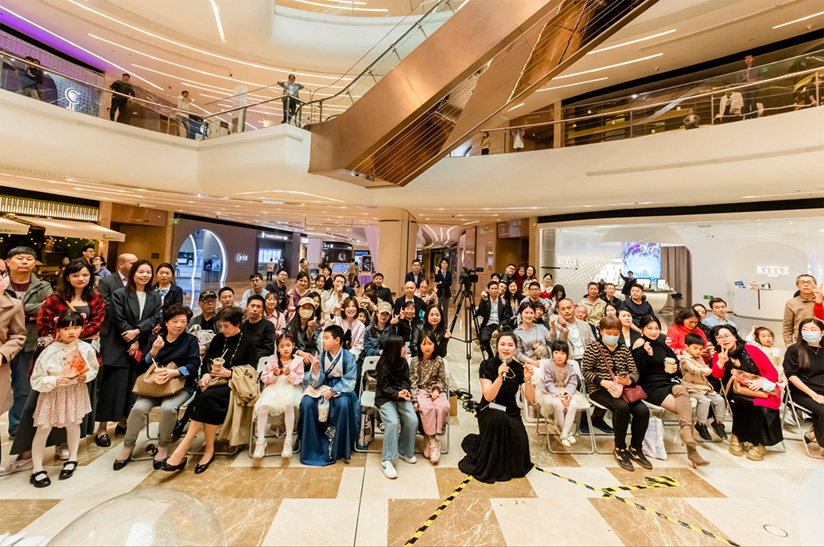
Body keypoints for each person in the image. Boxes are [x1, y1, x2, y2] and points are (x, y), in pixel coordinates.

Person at [164, 306, 257, 474]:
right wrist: (206, 374)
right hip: (213, 384)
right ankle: (207, 449)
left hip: (234, 387)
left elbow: (252, 371)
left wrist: (230, 373)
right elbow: (207, 360)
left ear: (237, 324)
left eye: (226, 326)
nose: (222, 330)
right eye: (220, 326)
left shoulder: (248, 342)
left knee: (206, 398)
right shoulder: (218, 339)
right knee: (205, 397)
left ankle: (185, 447)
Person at [114, 305, 199, 470]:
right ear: (166, 323)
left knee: (168, 408)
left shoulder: (190, 340)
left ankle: (163, 446)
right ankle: (128, 446)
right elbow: (140, 367)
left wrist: (174, 373)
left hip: (180, 386)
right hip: (153, 386)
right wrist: (153, 352)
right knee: (138, 408)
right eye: (175, 321)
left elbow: (194, 364)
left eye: (183, 321)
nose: (179, 325)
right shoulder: (156, 340)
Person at [33, 259, 104, 445]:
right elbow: (44, 323)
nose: (81, 278)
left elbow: (97, 322)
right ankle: (53, 441)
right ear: (67, 277)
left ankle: (69, 443)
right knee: (53, 400)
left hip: (83, 354)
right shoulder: (55, 298)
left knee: (76, 399)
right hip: (57, 355)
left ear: (91, 277)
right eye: (75, 275)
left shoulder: (96, 298)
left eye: (85, 275)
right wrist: (63, 339)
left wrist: (75, 336)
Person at [28, 311, 98, 487]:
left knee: (73, 424)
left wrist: (86, 377)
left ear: (82, 328)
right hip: (52, 394)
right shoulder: (49, 351)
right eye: (66, 328)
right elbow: (36, 379)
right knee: (43, 428)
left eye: (76, 327)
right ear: (58, 330)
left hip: (75, 391)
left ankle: (72, 459)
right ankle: (37, 469)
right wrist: (54, 381)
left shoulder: (86, 348)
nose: (71, 332)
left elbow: (93, 368)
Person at [96, 260, 162, 446]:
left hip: (142, 346)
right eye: (141, 272)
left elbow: (156, 317)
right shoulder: (120, 294)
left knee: (132, 388)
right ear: (133, 274)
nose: (144, 275)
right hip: (119, 345)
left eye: (148, 272)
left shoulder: (155, 296)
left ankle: (123, 423)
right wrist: (132, 339)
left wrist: (137, 333)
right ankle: (102, 429)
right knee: (111, 388)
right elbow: (117, 318)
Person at [632, 315, 709, 467]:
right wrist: (649, 354)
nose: (653, 331)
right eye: (649, 328)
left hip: (666, 382)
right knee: (685, 409)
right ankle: (691, 448)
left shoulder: (662, 345)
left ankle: (687, 436)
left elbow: (675, 365)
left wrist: (674, 369)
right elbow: (638, 370)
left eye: (656, 328)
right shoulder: (639, 344)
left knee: (681, 389)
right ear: (642, 329)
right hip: (649, 386)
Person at [458, 331, 534, 483]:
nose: (506, 348)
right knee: (498, 420)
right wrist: (499, 378)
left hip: (510, 411)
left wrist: (528, 380)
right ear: (497, 346)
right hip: (489, 409)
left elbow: (530, 398)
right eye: (502, 344)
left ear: (515, 348)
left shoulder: (518, 368)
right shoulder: (487, 365)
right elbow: (488, 396)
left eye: (510, 345)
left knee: (519, 440)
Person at [581, 316, 651, 471]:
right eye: (609, 332)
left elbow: (634, 371)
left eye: (616, 333)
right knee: (621, 408)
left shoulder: (624, 349)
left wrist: (628, 380)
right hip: (599, 389)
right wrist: (603, 382)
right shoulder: (593, 348)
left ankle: (636, 448)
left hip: (623, 389)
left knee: (642, 410)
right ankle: (620, 448)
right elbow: (586, 371)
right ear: (601, 331)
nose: (612, 336)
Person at [710, 325, 782, 461]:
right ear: (716, 341)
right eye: (719, 337)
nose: (724, 339)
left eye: (727, 336)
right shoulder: (718, 355)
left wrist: (761, 382)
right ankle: (737, 436)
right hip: (736, 391)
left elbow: (772, 372)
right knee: (740, 403)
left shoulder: (751, 349)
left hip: (760, 390)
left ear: (735, 337)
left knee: (762, 409)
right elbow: (716, 375)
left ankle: (759, 443)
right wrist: (721, 362)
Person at [4, 247, 53, 439]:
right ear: (8, 262)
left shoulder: (42, 285)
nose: (25, 262)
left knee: (23, 389)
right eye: (19, 258)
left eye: (29, 258)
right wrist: (29, 314)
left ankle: (17, 426)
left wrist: (15, 310)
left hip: (29, 342)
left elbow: (49, 308)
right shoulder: (2, 282)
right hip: (3, 343)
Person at [299, 325, 360, 466]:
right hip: (323, 386)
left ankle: (338, 448)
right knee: (307, 403)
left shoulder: (348, 357)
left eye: (327, 338)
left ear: (337, 340)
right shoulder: (321, 356)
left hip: (341, 389)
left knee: (342, 405)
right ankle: (311, 448)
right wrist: (315, 368)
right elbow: (316, 382)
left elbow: (350, 380)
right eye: (323, 338)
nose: (323, 341)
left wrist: (333, 391)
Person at [253, 335, 304, 459]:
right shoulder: (272, 359)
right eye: (282, 346)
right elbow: (264, 379)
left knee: (288, 404)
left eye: (288, 345)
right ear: (278, 348)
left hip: (290, 387)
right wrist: (273, 374)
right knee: (263, 405)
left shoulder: (298, 360)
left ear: (293, 346)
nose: (286, 349)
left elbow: (298, 380)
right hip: (273, 387)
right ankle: (260, 441)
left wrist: (290, 374)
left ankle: (288, 440)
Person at [375, 336, 417, 479]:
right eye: (403, 347)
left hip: (400, 396)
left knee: (412, 420)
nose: (405, 349)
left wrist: (404, 390)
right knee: (392, 423)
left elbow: (405, 380)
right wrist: (397, 393)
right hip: (385, 398)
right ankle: (387, 460)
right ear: (395, 350)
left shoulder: (403, 362)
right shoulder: (382, 365)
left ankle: (404, 450)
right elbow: (383, 388)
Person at [783, 318, 824, 457]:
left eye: (813, 330)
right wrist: (813, 395)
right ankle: (822, 444)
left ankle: (813, 434)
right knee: (823, 411)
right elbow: (791, 375)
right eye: (804, 329)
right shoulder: (794, 350)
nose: (808, 332)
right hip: (802, 392)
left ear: (822, 333)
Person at [0, 259, 26, 471]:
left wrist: (2, 354)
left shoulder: (13, 304)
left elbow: (18, 336)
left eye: (3, 273)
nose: (2, 278)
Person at [536, 341, 587, 447]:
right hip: (551, 391)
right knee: (557, 404)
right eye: (556, 353)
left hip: (567, 391)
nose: (559, 356)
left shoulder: (570, 367)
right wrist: (558, 394)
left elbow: (573, 383)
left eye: (562, 353)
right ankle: (566, 433)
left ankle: (564, 434)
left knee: (572, 405)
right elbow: (548, 383)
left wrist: (567, 394)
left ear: (567, 355)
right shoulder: (548, 366)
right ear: (552, 353)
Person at [410, 329, 449, 463]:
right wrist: (414, 400)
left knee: (443, 406)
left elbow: (442, 380)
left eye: (430, 344)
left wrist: (437, 390)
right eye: (424, 344)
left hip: (435, 390)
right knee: (427, 408)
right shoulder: (415, 361)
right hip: (421, 390)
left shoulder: (439, 360)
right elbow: (413, 382)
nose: (427, 347)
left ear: (435, 345)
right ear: (419, 345)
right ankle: (433, 442)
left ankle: (430, 437)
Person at [680, 333, 727, 441]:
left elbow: (705, 367)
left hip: (704, 387)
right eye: (695, 348)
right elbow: (693, 369)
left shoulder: (699, 358)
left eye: (700, 349)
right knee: (704, 401)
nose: (698, 351)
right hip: (691, 387)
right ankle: (701, 424)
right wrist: (704, 370)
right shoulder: (685, 359)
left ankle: (718, 423)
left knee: (720, 400)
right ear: (687, 347)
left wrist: (708, 369)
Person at [783, 274, 817, 347]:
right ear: (797, 286)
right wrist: (789, 345)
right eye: (802, 282)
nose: (806, 285)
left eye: (809, 282)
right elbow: (787, 326)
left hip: (820, 340)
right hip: (800, 341)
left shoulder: (821, 301)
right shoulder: (791, 303)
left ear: (815, 285)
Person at [477, 281, 509, 358]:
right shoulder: (485, 301)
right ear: (488, 290)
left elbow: (506, 317)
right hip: (488, 324)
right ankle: (490, 355)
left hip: (500, 325)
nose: (494, 290)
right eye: (492, 289)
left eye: (496, 288)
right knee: (484, 338)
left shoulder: (504, 302)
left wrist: (498, 329)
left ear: (498, 290)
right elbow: (482, 313)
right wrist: (483, 301)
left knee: (503, 340)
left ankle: (499, 356)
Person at [242, 295, 276, 362]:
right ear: (247, 306)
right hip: (243, 359)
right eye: (252, 306)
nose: (255, 309)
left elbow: (268, 350)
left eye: (258, 307)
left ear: (262, 309)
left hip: (259, 361)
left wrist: (250, 358)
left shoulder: (268, 326)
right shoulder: (242, 325)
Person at [737, 54, 759, 119]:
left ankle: (754, 117)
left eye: (749, 58)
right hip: (745, 89)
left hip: (754, 87)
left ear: (753, 59)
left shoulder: (757, 68)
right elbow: (737, 81)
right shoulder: (741, 71)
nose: (748, 60)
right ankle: (747, 118)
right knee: (746, 104)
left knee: (753, 103)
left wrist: (754, 80)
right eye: (746, 59)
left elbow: (762, 77)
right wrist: (744, 80)